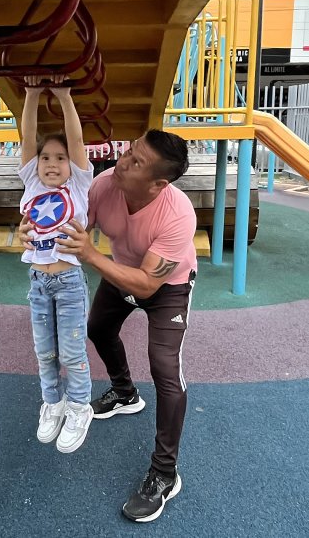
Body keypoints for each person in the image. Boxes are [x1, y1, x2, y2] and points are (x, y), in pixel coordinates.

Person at [24, 128, 196, 523]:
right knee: (98, 329)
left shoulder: (177, 212)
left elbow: (150, 283)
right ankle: (124, 393)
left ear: (158, 184)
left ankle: (165, 473)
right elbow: (62, 218)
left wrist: (90, 255)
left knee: (166, 370)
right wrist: (33, 232)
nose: (123, 161)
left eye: (136, 162)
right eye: (129, 151)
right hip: (119, 275)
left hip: (166, 287)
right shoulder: (105, 185)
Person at [18, 78, 95, 454]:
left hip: (68, 283)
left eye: (59, 158)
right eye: (46, 157)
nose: (51, 163)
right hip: (37, 282)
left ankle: (80, 407)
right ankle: (54, 402)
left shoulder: (78, 186)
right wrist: (31, 97)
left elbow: (76, 142)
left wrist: (64, 97)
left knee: (72, 353)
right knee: (44, 352)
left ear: (72, 165)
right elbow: (26, 139)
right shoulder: (32, 182)